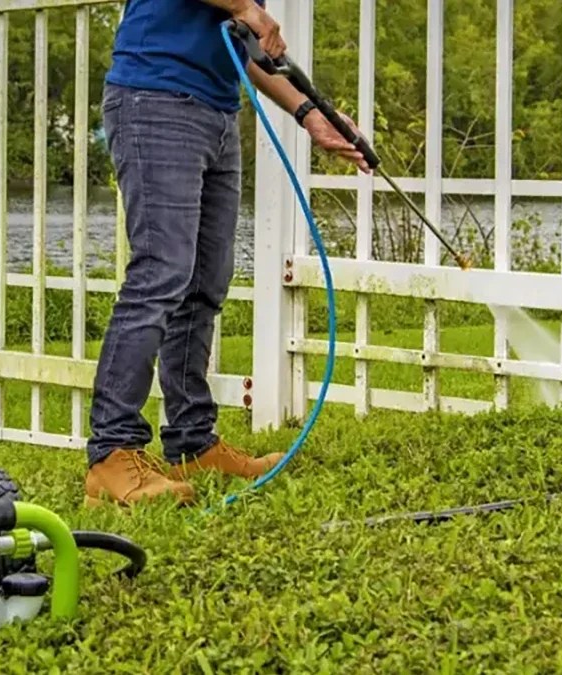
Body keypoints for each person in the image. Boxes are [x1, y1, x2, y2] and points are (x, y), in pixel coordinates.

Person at [84, 0, 371, 507]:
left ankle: (193, 442)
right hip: (155, 99)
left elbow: (244, 47)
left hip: (215, 111)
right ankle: (111, 452)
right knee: (160, 274)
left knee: (203, 284)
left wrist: (310, 114)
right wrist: (245, 7)